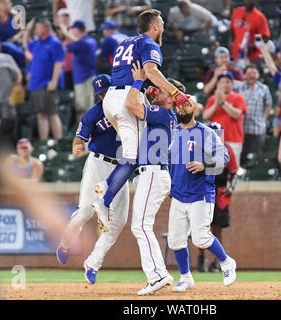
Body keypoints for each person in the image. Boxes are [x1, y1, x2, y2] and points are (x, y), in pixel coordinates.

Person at [91, 9, 191, 233]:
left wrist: (145, 89)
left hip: (111, 99)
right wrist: (176, 93)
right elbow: (151, 72)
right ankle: (104, 198)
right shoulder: (150, 44)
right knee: (133, 156)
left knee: (129, 152)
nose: (163, 27)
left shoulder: (124, 41)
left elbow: (129, 73)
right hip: (128, 96)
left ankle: (105, 190)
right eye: (162, 23)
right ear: (154, 26)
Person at [56, 75, 131, 286]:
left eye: (107, 90)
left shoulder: (128, 104)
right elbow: (80, 138)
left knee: (120, 220)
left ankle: (93, 263)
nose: (104, 95)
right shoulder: (95, 112)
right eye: (101, 93)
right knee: (86, 212)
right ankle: (65, 242)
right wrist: (77, 145)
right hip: (98, 163)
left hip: (121, 166)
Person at [122, 61, 182, 295]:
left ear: (171, 99)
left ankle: (157, 275)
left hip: (153, 172)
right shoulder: (164, 113)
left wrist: (138, 81)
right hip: (153, 173)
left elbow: (131, 104)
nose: (158, 88)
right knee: (141, 226)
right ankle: (158, 273)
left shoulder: (164, 112)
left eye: (163, 88)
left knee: (141, 226)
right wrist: (142, 80)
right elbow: (141, 103)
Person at [168, 97, 236, 293]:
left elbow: (224, 156)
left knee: (201, 238)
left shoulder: (205, 132)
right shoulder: (173, 133)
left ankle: (226, 262)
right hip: (178, 194)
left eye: (186, 104)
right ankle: (186, 277)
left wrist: (204, 165)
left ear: (195, 109)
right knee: (175, 240)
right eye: (179, 105)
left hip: (200, 194)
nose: (182, 108)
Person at [197, 122, 239, 273]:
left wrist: (231, 188)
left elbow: (234, 172)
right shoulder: (200, 150)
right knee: (201, 228)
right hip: (202, 190)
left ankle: (216, 262)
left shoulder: (227, 150)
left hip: (220, 193)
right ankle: (201, 260)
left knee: (217, 229)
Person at [27, 19, 64, 140]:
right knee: (41, 115)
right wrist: (27, 30)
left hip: (47, 84)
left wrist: (54, 81)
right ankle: (44, 143)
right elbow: (25, 44)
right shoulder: (37, 43)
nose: (36, 30)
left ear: (45, 28)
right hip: (35, 84)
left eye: (37, 28)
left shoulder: (55, 43)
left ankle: (58, 142)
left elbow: (58, 62)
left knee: (52, 114)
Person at [203, 71, 247, 167]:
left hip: (233, 138)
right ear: (218, 85)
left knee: (233, 169)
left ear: (232, 84)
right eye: (222, 82)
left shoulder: (238, 97)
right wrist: (216, 103)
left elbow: (236, 114)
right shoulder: (212, 99)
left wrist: (222, 102)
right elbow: (205, 116)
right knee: (214, 168)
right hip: (216, 138)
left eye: (228, 82)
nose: (225, 84)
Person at [59, 20, 98, 123]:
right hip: (84, 78)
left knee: (83, 109)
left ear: (77, 29)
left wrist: (65, 33)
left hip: (84, 79)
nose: (71, 31)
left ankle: (84, 134)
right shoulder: (89, 40)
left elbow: (68, 46)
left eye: (73, 29)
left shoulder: (86, 41)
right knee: (83, 108)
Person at [234, 64, 272, 164]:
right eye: (249, 73)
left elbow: (268, 105)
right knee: (241, 157)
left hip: (258, 128)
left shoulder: (264, 88)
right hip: (242, 128)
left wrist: (264, 119)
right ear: (244, 75)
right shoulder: (238, 88)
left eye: (254, 73)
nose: (252, 75)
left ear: (258, 75)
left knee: (256, 158)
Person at [229, 0, 270, 69]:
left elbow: (265, 37)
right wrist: (230, 41)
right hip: (236, 54)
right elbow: (231, 29)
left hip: (252, 57)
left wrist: (255, 45)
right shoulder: (236, 11)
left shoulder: (260, 17)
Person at [55, 8, 74, 90]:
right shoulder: (54, 34)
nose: (65, 19)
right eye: (62, 17)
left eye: (66, 17)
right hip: (60, 70)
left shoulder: (74, 31)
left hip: (74, 69)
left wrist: (65, 31)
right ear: (58, 19)